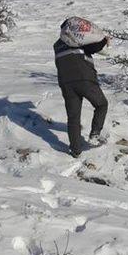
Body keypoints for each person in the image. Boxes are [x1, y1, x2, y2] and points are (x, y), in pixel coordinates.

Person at [54, 20, 109, 157]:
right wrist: (104, 40)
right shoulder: (79, 40)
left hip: (66, 83)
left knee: (73, 117)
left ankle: (75, 150)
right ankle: (94, 135)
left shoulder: (57, 45)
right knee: (101, 104)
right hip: (85, 80)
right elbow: (94, 47)